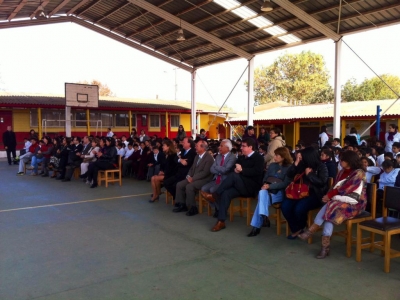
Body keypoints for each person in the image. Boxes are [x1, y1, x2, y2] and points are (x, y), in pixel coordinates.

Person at [298, 150, 367, 259]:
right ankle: (324, 247)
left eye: (342, 160)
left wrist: (329, 196)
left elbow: (346, 188)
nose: (340, 161)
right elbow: (335, 186)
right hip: (338, 200)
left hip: (355, 204)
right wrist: (329, 196)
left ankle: (313, 232)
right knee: (331, 210)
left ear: (349, 160)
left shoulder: (359, 173)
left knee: (331, 207)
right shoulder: (341, 171)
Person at [201, 138, 265, 232]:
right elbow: (231, 170)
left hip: (251, 187)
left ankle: (215, 195)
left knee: (234, 176)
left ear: (250, 147)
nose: (241, 148)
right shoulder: (241, 157)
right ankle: (221, 221)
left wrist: (242, 170)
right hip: (239, 185)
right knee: (226, 193)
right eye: (241, 146)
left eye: (244, 146)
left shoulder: (258, 158)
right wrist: (235, 170)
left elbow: (258, 172)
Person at [281, 147, 329, 239]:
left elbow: (322, 182)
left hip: (314, 194)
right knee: (285, 206)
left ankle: (301, 226)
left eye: (303, 156)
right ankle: (297, 229)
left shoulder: (322, 166)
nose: (301, 157)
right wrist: (295, 163)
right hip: (297, 192)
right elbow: (289, 175)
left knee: (299, 208)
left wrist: (310, 175)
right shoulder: (301, 165)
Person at [247, 147, 293, 237]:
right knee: (262, 193)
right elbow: (265, 177)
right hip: (267, 190)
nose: (274, 157)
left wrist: (270, 186)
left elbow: (285, 184)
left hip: (279, 192)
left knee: (261, 198)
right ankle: (262, 218)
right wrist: (265, 184)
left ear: (283, 157)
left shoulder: (289, 168)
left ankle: (257, 226)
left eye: (277, 155)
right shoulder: (272, 165)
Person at [173, 140, 214, 216]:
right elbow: (192, 168)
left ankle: (193, 208)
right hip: (193, 178)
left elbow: (205, 173)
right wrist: (188, 176)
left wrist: (193, 178)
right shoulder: (197, 156)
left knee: (189, 187)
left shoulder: (209, 158)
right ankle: (182, 205)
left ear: (203, 148)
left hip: (204, 180)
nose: (195, 147)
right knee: (179, 184)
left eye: (197, 146)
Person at [200, 139, 237, 217]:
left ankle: (220, 210)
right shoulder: (218, 156)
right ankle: (219, 208)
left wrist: (217, 167)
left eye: (221, 146)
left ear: (227, 148)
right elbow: (211, 169)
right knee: (204, 189)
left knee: (212, 190)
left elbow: (226, 170)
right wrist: (219, 168)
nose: (219, 147)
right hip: (216, 179)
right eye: (219, 145)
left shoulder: (232, 157)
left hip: (225, 181)